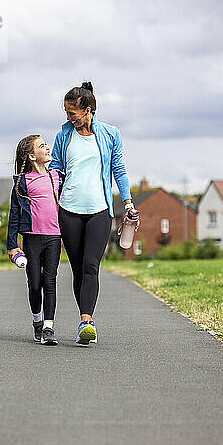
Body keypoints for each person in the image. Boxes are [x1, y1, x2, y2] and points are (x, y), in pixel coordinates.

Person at [49, 81, 139, 345]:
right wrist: (50, 193)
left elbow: (119, 170)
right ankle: (83, 318)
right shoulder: (63, 135)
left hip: (100, 210)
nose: (69, 118)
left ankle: (86, 321)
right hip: (69, 210)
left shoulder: (110, 134)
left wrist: (129, 202)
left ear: (88, 110)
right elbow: (55, 168)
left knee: (91, 266)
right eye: (66, 113)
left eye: (72, 114)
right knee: (78, 269)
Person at [7, 135, 65, 345]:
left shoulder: (57, 176)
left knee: (50, 281)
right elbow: (14, 215)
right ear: (32, 156)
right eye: (42, 146)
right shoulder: (22, 183)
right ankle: (37, 321)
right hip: (31, 237)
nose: (47, 148)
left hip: (53, 237)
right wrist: (12, 245)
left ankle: (48, 327)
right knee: (34, 284)